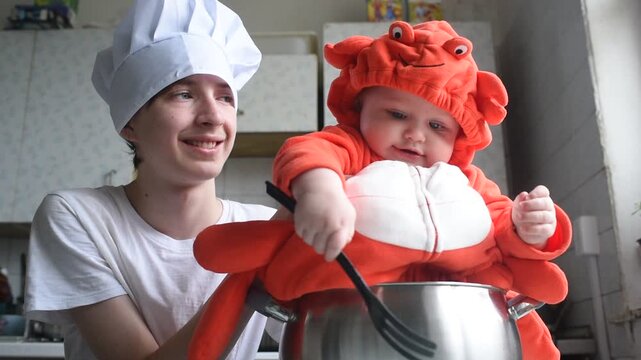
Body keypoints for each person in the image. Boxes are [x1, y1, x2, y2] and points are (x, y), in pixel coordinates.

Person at [190, 20, 572, 360]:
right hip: (345, 313)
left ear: (459, 137)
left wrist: (532, 228)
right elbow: (309, 152)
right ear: (361, 110)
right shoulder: (354, 151)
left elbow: (502, 227)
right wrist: (320, 191)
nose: (415, 134)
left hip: (465, 324)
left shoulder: (466, 182)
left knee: (524, 324)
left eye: (438, 126)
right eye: (398, 114)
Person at [23, 0, 278, 359]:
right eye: (184, 94)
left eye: (225, 97)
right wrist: (253, 273)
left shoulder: (263, 225)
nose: (213, 116)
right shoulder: (78, 216)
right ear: (130, 123)